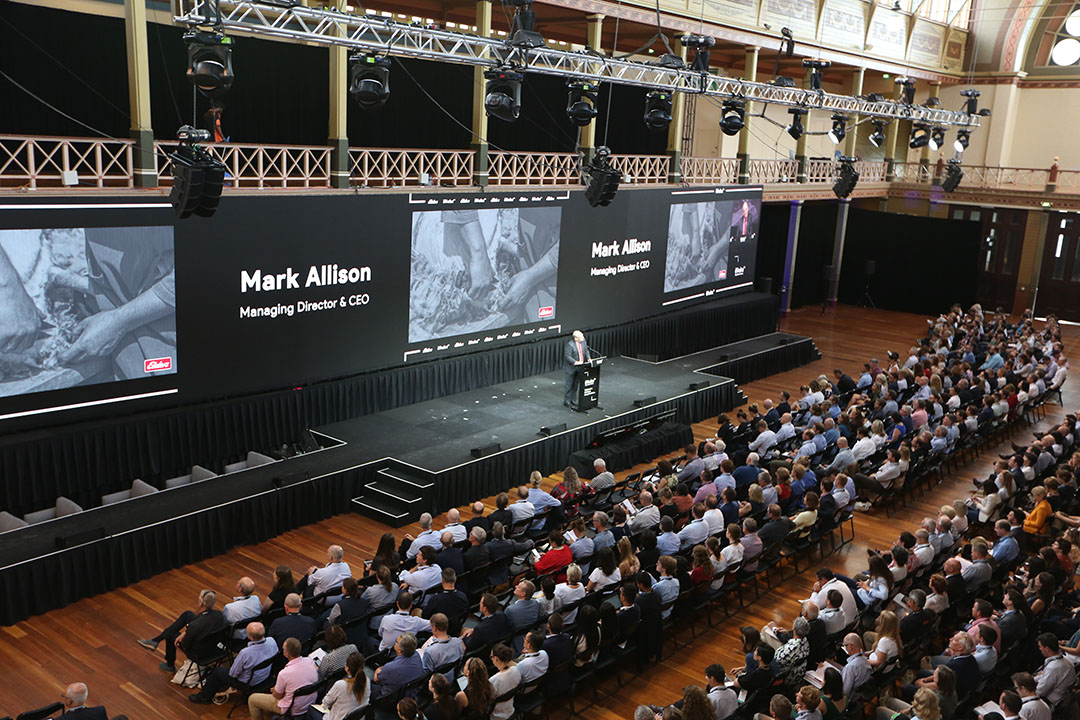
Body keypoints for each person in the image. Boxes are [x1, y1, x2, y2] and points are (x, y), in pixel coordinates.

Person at [137, 589, 225, 672]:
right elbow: (198, 623)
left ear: (201, 603)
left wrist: (183, 635)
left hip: (198, 653)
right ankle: (156, 640)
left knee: (171, 635)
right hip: (213, 646)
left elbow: (186, 645)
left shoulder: (195, 625)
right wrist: (186, 631)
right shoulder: (219, 614)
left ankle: (169, 665)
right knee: (188, 614)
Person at [249, 637, 318, 720]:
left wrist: (274, 690)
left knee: (252, 699)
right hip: (309, 703)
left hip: (291, 709)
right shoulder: (310, 661)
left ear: (286, 653)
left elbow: (278, 696)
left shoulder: (284, 673)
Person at [311, 652, 368, 720]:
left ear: (346, 668)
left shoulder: (341, 684)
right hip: (357, 717)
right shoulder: (367, 681)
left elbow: (325, 703)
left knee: (310, 709)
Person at [373, 632, 426, 699]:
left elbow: (377, 680)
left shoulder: (390, 668)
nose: (395, 642)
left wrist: (378, 669)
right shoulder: (417, 655)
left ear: (400, 650)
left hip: (388, 697)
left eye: (396, 642)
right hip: (408, 695)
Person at [489, 644, 521, 720]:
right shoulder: (516, 670)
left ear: (496, 658)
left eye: (491, 657)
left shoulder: (493, 680)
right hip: (510, 709)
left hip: (496, 715)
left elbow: (488, 700)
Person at [564, 330, 592, 408]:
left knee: (576, 385)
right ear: (576, 338)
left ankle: (573, 400)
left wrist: (589, 359)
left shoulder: (583, 341)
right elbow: (567, 356)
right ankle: (567, 402)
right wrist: (575, 362)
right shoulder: (570, 345)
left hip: (580, 367)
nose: (583, 338)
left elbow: (586, 351)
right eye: (581, 337)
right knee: (569, 385)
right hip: (571, 368)